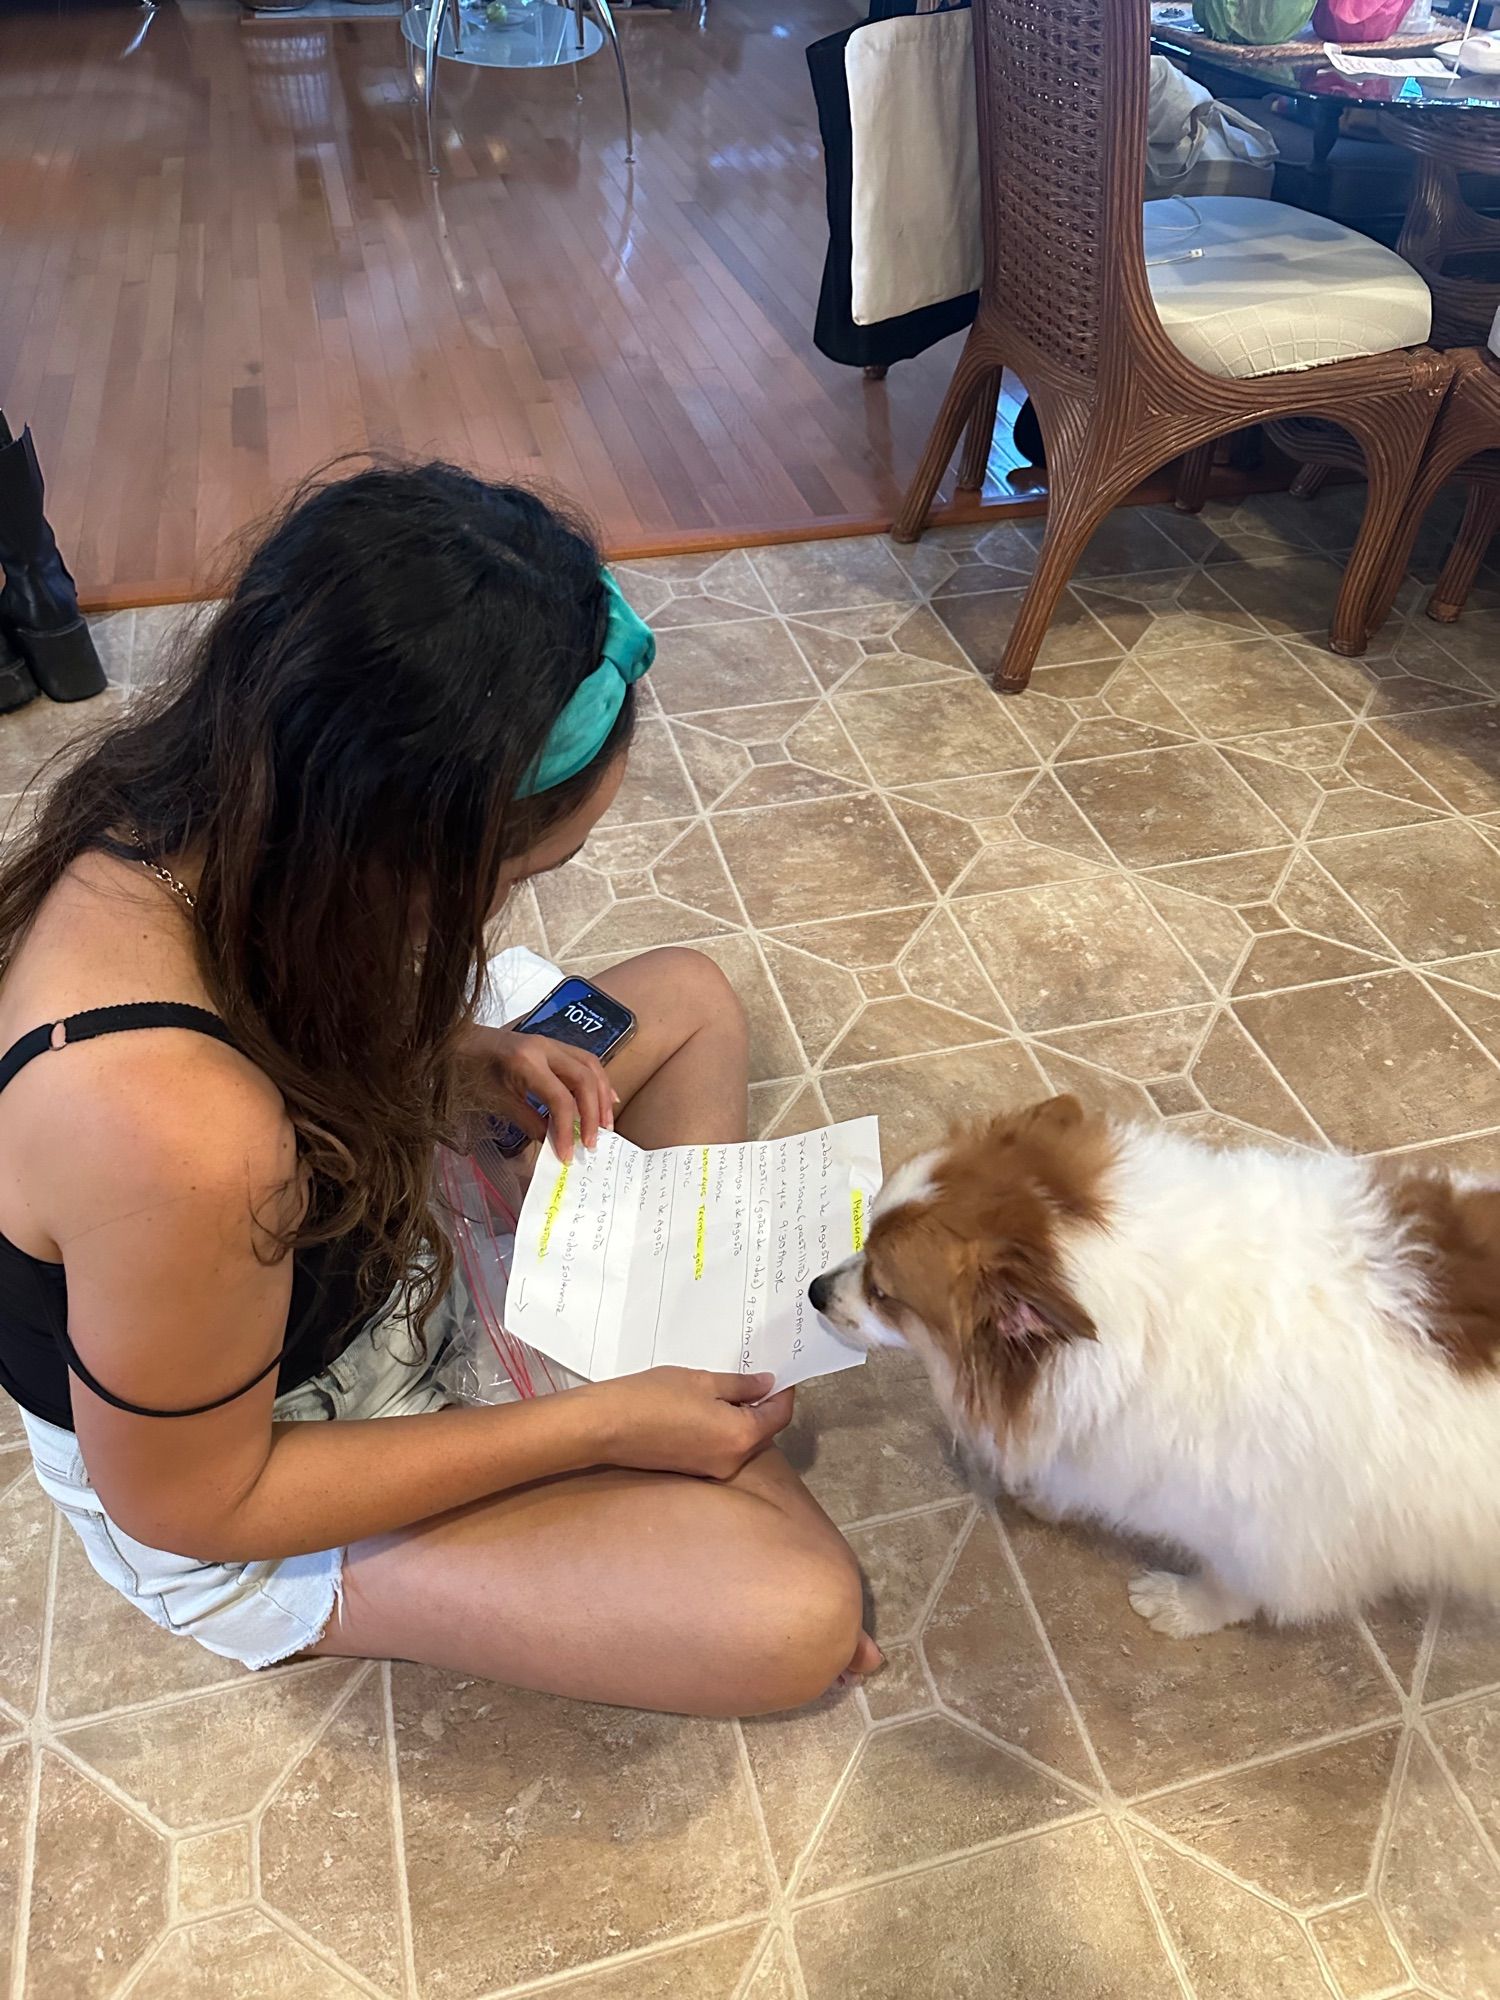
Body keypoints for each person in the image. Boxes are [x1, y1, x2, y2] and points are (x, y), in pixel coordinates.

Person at [0, 464, 879, 1715]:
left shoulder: (220, 803)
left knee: (678, 994)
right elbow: (193, 1501)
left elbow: (272, 1009)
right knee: (795, 1614)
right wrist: (599, 1428)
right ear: (397, 845)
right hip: (272, 1449)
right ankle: (650, 1423)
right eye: (520, 870)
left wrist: (456, 1051)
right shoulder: (174, 1130)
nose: (509, 906)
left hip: (343, 1206)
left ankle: (663, 1411)